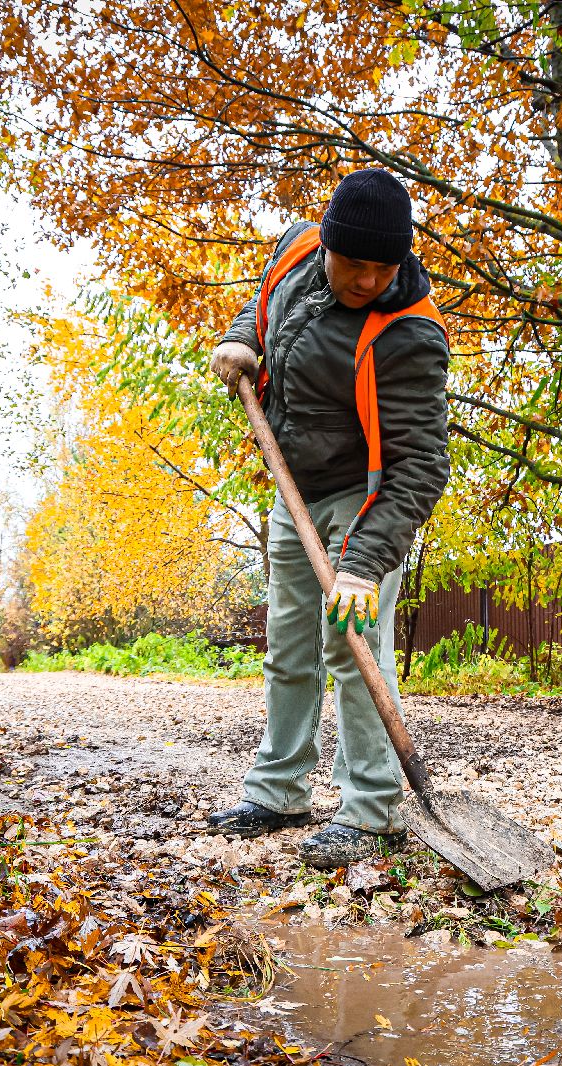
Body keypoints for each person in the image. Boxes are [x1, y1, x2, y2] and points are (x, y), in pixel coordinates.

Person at [204, 169, 450, 868]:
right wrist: (239, 337)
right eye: (354, 264)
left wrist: (364, 567)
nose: (368, 279)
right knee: (288, 648)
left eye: (384, 268)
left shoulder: (411, 336)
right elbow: (265, 308)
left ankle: (374, 813)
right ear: (328, 246)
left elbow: (421, 466)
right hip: (296, 490)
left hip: (365, 500)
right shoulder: (296, 250)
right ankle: (278, 791)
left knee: (352, 645)